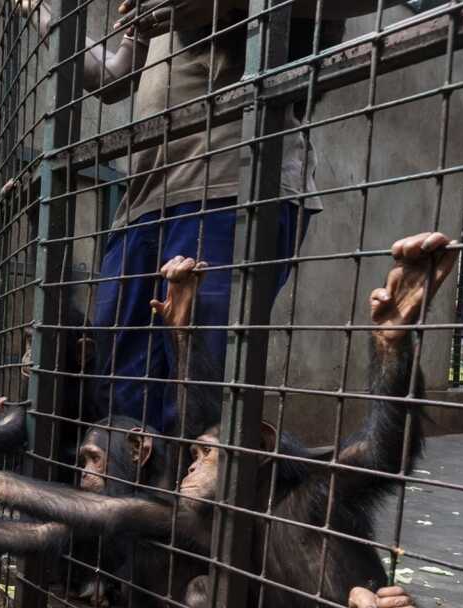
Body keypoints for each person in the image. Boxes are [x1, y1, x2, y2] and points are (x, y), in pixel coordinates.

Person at [82, 0, 408, 433]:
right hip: (144, 200)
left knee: (198, 373)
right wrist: (40, 14)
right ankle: (129, 494)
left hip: (231, 184)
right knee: (121, 384)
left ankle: (193, 497)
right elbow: (113, 78)